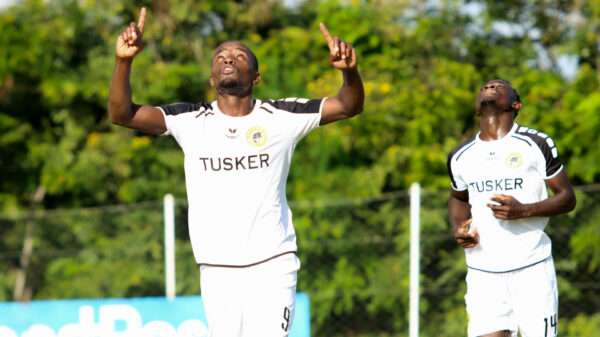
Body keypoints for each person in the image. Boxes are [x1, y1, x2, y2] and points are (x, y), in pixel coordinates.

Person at [107, 7, 364, 337]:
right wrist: (123, 62)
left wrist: (350, 73)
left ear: (255, 77)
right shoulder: (190, 120)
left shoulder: (281, 115)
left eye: (239, 55)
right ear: (213, 78)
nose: (228, 58)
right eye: (220, 57)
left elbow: (348, 105)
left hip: (272, 263)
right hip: (216, 269)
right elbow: (121, 114)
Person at [446, 79, 576, 337]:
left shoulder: (536, 144)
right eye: (485, 85)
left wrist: (524, 210)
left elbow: (567, 198)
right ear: (477, 108)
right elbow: (458, 197)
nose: (490, 86)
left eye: (499, 86)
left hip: (532, 269)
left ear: (515, 104)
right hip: (483, 273)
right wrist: (458, 228)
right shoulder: (460, 155)